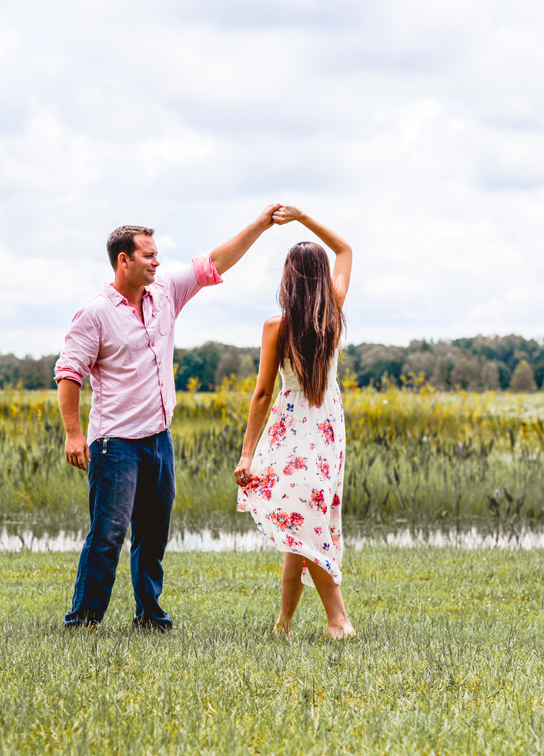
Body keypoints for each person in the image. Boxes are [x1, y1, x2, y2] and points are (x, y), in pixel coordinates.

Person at [55, 205, 285, 630]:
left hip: (159, 439)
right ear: (123, 260)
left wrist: (261, 224)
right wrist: (73, 434)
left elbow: (214, 263)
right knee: (108, 535)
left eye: (157, 255)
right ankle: (83, 619)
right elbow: (68, 374)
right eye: (148, 255)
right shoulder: (95, 313)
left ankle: (149, 615)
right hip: (114, 444)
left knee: (153, 533)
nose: (157, 262)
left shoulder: (164, 293)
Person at [233, 206, 354, 639]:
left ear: (288, 277)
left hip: (291, 431)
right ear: (321, 276)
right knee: (299, 523)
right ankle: (283, 624)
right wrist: (304, 218)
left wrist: (248, 453)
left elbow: (263, 393)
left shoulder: (276, 325)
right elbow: (344, 248)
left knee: (305, 524)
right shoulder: (333, 313)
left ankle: (339, 621)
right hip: (326, 431)